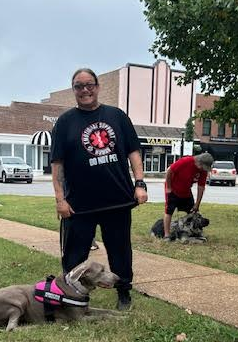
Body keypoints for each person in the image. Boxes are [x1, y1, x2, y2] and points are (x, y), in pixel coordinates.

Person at [51, 68, 148, 310]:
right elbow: (57, 164)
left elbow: (133, 151)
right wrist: (60, 200)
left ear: (97, 86)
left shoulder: (117, 116)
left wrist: (140, 183)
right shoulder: (65, 122)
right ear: (73, 90)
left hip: (117, 200)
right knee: (74, 254)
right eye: (78, 86)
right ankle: (70, 296)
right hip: (79, 205)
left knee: (121, 251)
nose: (85, 90)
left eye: (89, 85)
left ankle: (124, 292)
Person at [163, 152, 214, 241]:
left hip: (186, 191)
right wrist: (169, 187)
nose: (203, 169)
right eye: (203, 167)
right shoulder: (185, 161)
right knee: (169, 211)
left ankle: (194, 232)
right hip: (173, 189)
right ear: (199, 162)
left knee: (193, 212)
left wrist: (197, 204)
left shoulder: (203, 171)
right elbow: (169, 171)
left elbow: (201, 187)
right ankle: (166, 235)